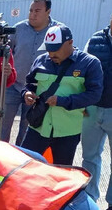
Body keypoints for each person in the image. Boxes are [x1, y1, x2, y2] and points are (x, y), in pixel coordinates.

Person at [21, 25, 103, 166]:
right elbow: (29, 84)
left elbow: (94, 94)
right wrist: (26, 93)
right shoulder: (41, 60)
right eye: (48, 49)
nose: (51, 53)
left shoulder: (89, 63)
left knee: (61, 174)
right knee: (23, 167)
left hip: (67, 132)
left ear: (70, 42)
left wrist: (63, 101)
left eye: (56, 49)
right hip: (38, 128)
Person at [0, 0, 63, 145]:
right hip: (14, 86)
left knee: (27, 130)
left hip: (38, 91)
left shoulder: (57, 31)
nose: (32, 14)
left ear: (48, 11)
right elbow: (6, 52)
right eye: (30, 10)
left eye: (37, 11)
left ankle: (21, 160)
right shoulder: (18, 29)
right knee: (3, 128)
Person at [81, 16, 112, 210]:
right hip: (92, 108)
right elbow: (83, 71)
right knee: (89, 156)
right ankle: (90, 200)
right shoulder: (94, 40)